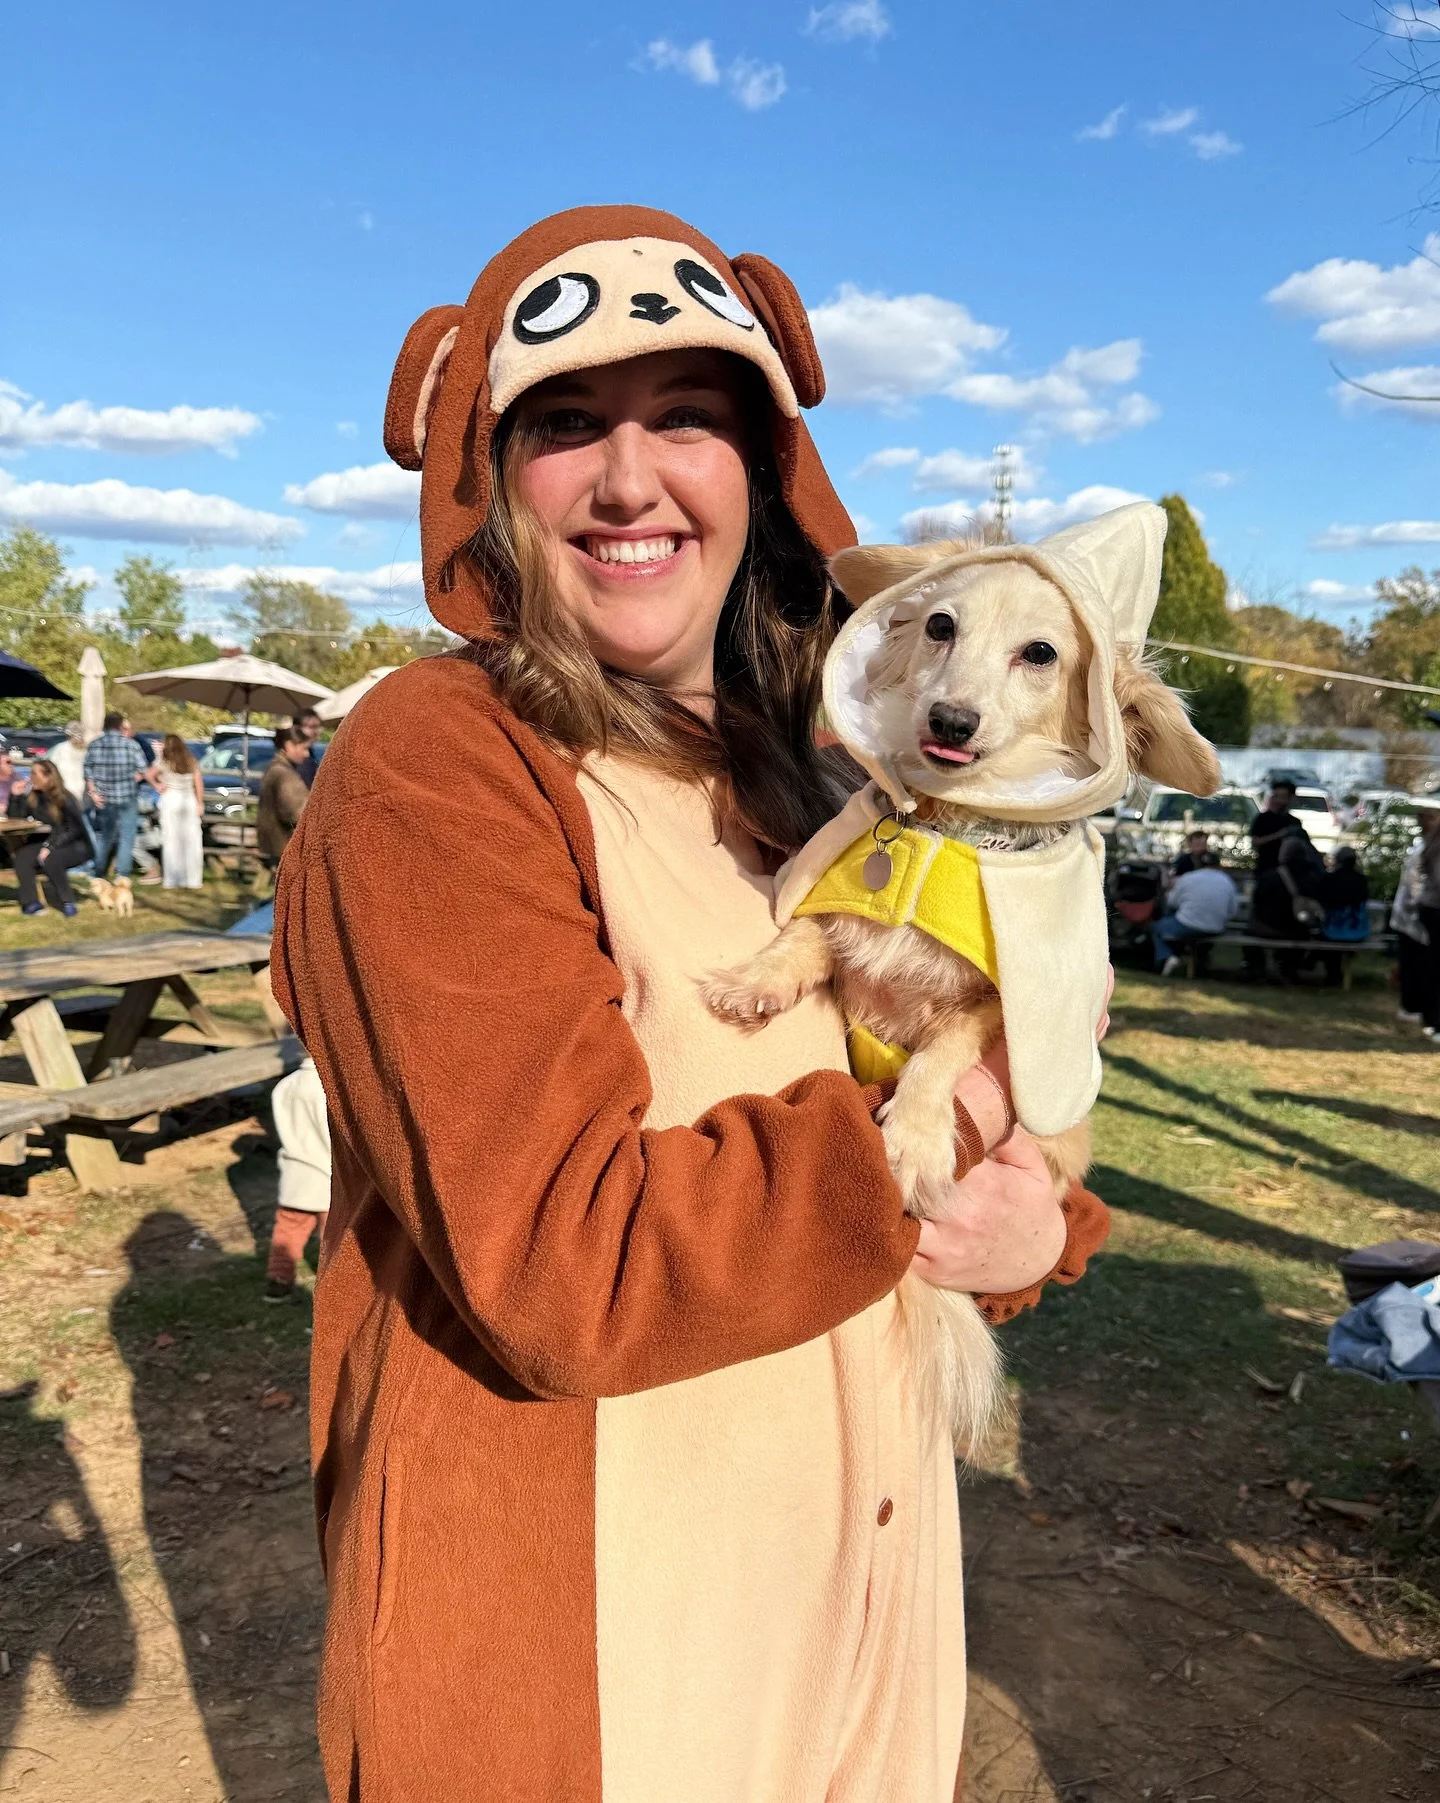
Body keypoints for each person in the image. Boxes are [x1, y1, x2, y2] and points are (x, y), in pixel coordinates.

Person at [272, 207, 1111, 1803]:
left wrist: (1035, 1225)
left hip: (856, 1605)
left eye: (688, 418)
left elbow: (954, 1081)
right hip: (612, 1664)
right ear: (487, 470)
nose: (629, 478)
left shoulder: (822, 776)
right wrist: (944, 1123)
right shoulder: (440, 760)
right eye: (566, 425)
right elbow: (562, 1262)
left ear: (765, 464)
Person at [264, 1057, 331, 1301]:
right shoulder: (328, 1088)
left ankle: (278, 1281)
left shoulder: (285, 1086)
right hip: (326, 1177)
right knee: (334, 1240)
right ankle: (335, 1288)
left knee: (287, 1232)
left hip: (295, 1175)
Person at [8, 758, 92, 916]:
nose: (30, 777)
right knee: (23, 856)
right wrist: (15, 796)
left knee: (51, 858)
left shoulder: (64, 798)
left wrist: (49, 847)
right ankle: (31, 903)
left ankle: (67, 902)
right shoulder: (34, 797)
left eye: (34, 773)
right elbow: (17, 819)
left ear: (48, 776)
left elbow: (72, 829)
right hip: (48, 841)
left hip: (74, 844)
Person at [83, 711, 149, 889]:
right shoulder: (131, 745)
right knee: (127, 836)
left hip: (106, 798)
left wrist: (93, 793)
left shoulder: (95, 745)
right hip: (127, 796)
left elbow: (88, 772)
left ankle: (99, 871)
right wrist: (132, 778)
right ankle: (122, 873)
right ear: (120, 726)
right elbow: (143, 769)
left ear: (105, 725)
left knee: (106, 836)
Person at [1152, 848, 1237, 975]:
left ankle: (1168, 956)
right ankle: (1200, 964)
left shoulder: (1187, 878)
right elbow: (1232, 910)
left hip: (1188, 925)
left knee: (1156, 928)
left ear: (1197, 863)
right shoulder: (1227, 881)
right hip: (1215, 928)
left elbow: (1171, 902)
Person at [152, 733, 204, 889]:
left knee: (171, 839)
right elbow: (198, 783)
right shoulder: (191, 761)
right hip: (188, 800)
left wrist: (157, 785)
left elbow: (149, 774)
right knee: (192, 840)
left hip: (170, 799)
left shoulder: (164, 762)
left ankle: (173, 878)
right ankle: (193, 879)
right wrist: (200, 802)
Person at [256, 727, 310, 870]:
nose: (306, 754)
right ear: (289, 745)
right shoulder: (284, 775)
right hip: (284, 844)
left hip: (274, 843)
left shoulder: (275, 769)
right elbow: (296, 812)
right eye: (304, 748)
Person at [1392, 837, 1432, 1026]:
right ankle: (1410, 1008)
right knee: (1414, 966)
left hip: (1423, 917)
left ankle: (1419, 1007)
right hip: (1412, 918)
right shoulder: (1425, 850)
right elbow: (1415, 887)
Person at [1416, 801, 1440, 1040]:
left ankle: (1431, 1018)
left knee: (1432, 965)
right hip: (1436, 908)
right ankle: (1434, 1021)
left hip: (1430, 907)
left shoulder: (1431, 841)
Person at [50, 723, 87, 801]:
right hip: (77, 790)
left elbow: (51, 767)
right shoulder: (87, 750)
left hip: (69, 789)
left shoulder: (61, 748)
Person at [294, 707, 325, 788]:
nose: (317, 731)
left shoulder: (310, 753)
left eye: (318, 727)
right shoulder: (292, 757)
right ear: (297, 729)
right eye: (312, 727)